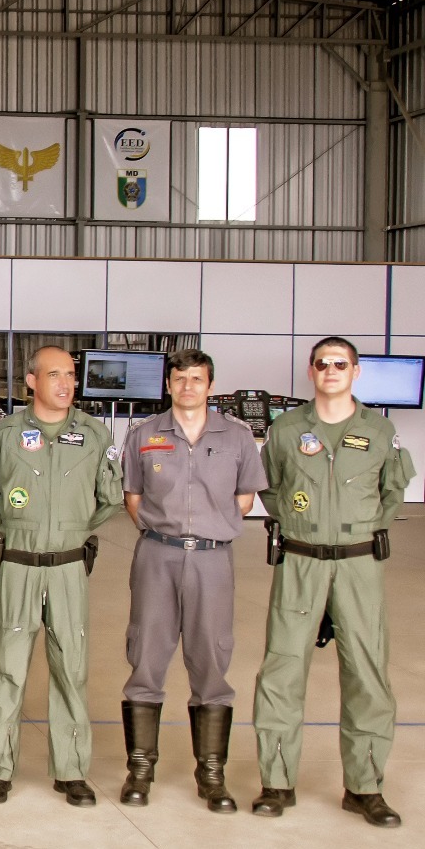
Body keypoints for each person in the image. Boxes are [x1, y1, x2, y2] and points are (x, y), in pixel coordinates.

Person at [252, 336, 414, 828]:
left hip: (359, 565)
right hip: (300, 561)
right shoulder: (287, 430)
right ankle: (277, 783)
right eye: (322, 363)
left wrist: (358, 531)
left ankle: (365, 788)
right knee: (282, 669)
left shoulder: (379, 431)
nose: (331, 370)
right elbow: (270, 487)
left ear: (356, 371)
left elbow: (392, 492)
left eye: (340, 364)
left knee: (367, 673)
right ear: (311, 371)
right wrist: (301, 526)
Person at [118, 349, 266, 813]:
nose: (187, 387)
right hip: (156, 556)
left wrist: (207, 528)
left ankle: (212, 776)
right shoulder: (143, 435)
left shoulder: (237, 437)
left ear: (210, 385)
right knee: (146, 657)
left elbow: (244, 498)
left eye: (196, 379)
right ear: (168, 385)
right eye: (179, 379)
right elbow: (133, 497)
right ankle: (140, 771)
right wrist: (166, 533)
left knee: (212, 661)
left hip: (212, 559)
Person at [0, 345, 122, 808]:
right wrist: (22, 528)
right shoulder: (3, 434)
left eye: (71, 375)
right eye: (54, 374)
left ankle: (71, 770)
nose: (65, 383)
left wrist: (72, 530)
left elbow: (111, 498)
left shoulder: (94, 434)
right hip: (18, 564)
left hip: (68, 567)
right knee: (6, 668)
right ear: (31, 381)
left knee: (71, 669)